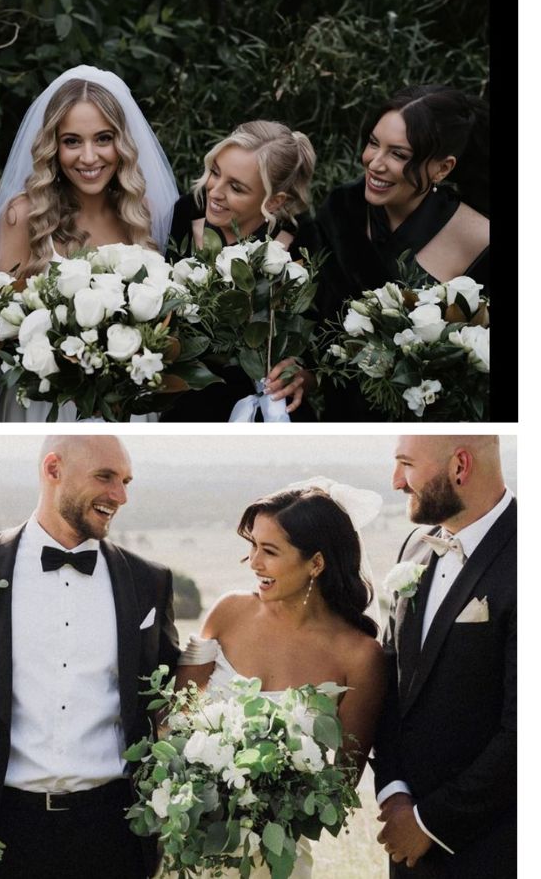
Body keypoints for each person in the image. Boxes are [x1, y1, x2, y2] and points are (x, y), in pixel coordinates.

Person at [0, 435, 181, 878]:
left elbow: (172, 696)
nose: (119, 496)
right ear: (52, 469)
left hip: (114, 830)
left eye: (125, 481)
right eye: (105, 477)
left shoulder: (149, 581)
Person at [176, 480, 387, 878]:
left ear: (316, 563)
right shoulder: (228, 613)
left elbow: (339, 788)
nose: (254, 562)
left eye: (269, 551)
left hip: (273, 862)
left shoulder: (360, 658)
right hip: (185, 849)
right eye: (252, 546)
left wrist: (261, 797)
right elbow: (173, 717)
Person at [0, 65, 179, 422]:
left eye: (103, 138)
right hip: (46, 404)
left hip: (127, 404)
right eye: (72, 141)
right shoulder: (24, 215)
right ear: (53, 146)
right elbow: (2, 328)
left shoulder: (142, 213)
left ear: (121, 142)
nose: (89, 157)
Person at [374, 436, 515, 877]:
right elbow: (392, 685)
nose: (396, 481)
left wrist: (429, 822)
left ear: (460, 466)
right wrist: (394, 793)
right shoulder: (415, 548)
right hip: (406, 846)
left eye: (406, 464)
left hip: (497, 848)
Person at [313, 86, 489, 421]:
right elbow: (317, 319)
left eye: (398, 154)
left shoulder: (480, 239)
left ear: (442, 168)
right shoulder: (341, 209)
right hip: (341, 408)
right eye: (373, 143)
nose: (375, 163)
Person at [162, 120, 319, 420]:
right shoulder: (187, 213)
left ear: (273, 201)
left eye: (236, 187)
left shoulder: (300, 236)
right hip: (191, 401)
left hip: (268, 403)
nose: (215, 191)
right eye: (215, 173)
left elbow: (312, 343)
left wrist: (300, 374)